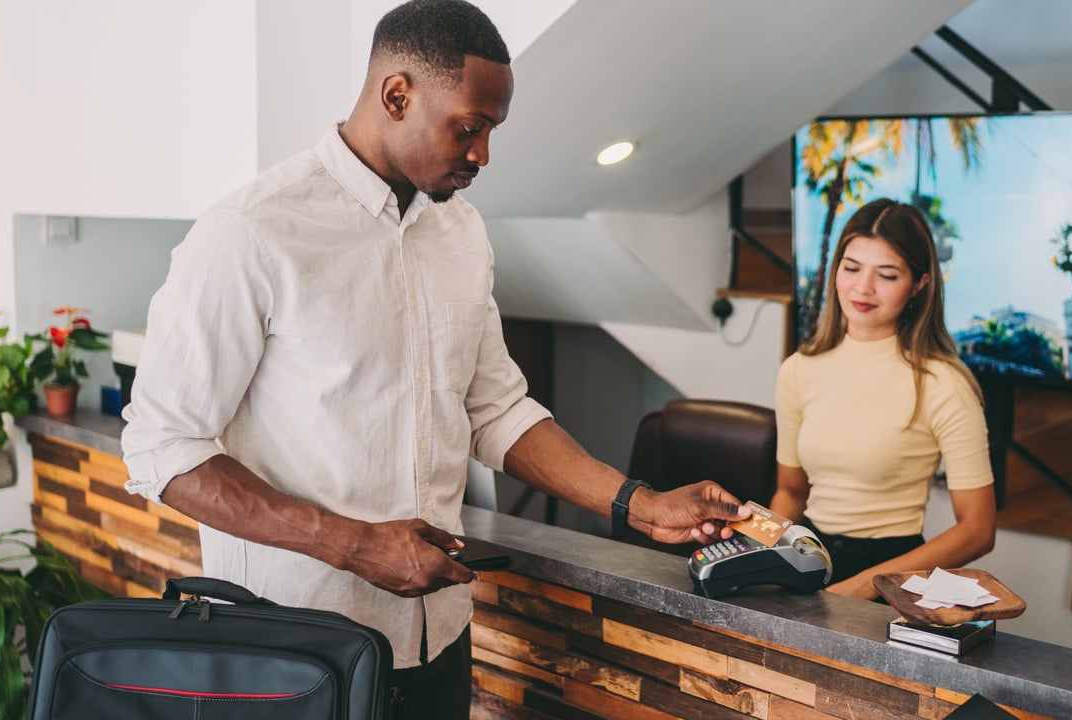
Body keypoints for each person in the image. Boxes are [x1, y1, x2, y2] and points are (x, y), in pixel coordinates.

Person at [120, 1, 749, 716]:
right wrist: (356, 545)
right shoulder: (251, 231)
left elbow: (496, 410)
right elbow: (163, 447)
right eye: (470, 127)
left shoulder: (461, 232)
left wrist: (637, 504)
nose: (483, 154)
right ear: (397, 95)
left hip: (436, 642)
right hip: (291, 653)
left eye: (490, 131)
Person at [770, 198, 996, 601]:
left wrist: (862, 588)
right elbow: (791, 492)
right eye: (851, 268)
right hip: (806, 561)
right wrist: (755, 548)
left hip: (893, 576)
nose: (862, 288)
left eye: (887, 275)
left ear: (919, 284)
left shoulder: (944, 383)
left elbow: (978, 530)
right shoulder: (798, 370)